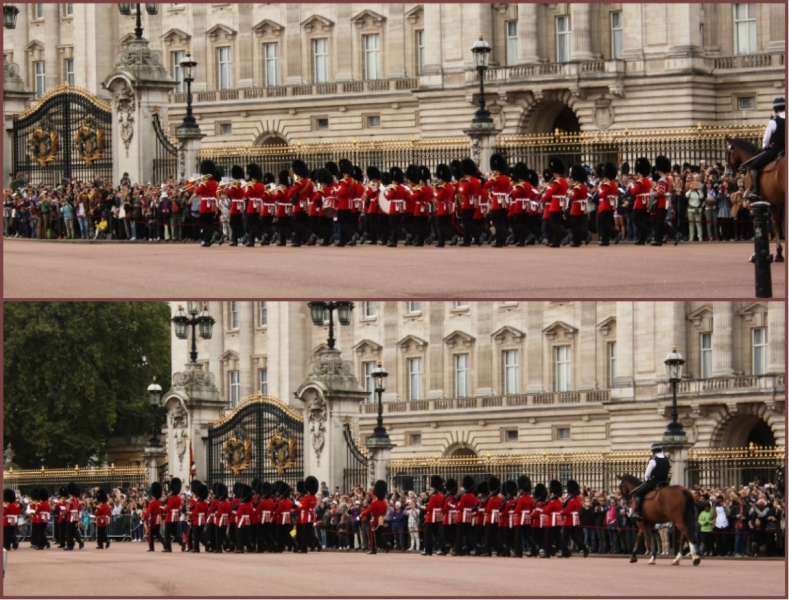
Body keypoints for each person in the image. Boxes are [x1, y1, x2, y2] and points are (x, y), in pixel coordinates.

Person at [746, 97, 785, 201]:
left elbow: (766, 140)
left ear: (776, 109)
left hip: (777, 149)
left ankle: (755, 192)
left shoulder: (774, 121)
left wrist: (765, 148)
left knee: (753, 166)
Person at [631, 442, 671, 521]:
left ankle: (638, 513)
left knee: (638, 493)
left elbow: (647, 474)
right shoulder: (667, 459)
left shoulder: (653, 460)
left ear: (653, 451)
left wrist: (647, 480)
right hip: (665, 482)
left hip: (654, 482)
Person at [361, 480, 390, 554]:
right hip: (381, 519)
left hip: (374, 520)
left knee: (372, 534)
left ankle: (373, 549)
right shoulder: (384, 503)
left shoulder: (375, 503)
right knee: (379, 533)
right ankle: (386, 544)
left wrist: (361, 514)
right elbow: (384, 512)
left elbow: (368, 510)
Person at [422, 475, 444, 556]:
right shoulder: (440, 496)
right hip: (437, 516)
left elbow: (429, 508)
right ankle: (444, 545)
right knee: (436, 533)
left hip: (431, 517)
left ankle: (428, 550)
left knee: (428, 534)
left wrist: (422, 506)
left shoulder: (433, 497)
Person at [162, 477, 184, 552]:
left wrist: (163, 508)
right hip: (176, 516)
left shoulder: (171, 498)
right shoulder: (179, 498)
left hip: (170, 516)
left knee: (167, 532)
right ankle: (182, 542)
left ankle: (168, 548)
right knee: (175, 532)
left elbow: (168, 508)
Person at [143, 481, 165, 552]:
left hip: (153, 519)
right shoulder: (160, 502)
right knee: (157, 533)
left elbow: (148, 512)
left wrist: (144, 518)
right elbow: (162, 510)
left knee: (151, 533)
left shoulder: (152, 503)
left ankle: (151, 547)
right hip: (159, 518)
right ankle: (165, 544)